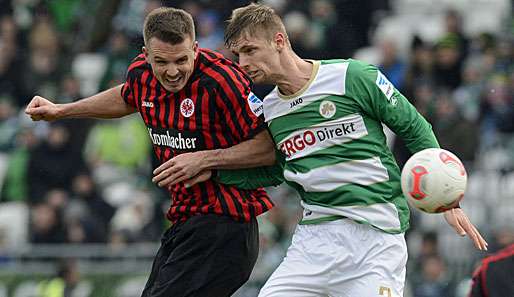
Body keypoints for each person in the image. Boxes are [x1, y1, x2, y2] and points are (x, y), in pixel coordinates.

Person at [155, 3, 488, 297]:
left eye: (250, 50)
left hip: (376, 235)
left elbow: (413, 127)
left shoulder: (352, 76)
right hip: (316, 238)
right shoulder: (269, 109)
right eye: (238, 54)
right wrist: (213, 171)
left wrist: (446, 196)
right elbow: (276, 169)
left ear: (279, 41)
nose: (243, 63)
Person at [25, 7, 276, 297]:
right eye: (161, 62)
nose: (172, 72)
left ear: (195, 48)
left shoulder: (222, 81)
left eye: (182, 60)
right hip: (185, 224)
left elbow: (268, 148)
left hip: (227, 227)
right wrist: (62, 111)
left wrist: (204, 158)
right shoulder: (141, 75)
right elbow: (127, 97)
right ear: (146, 54)